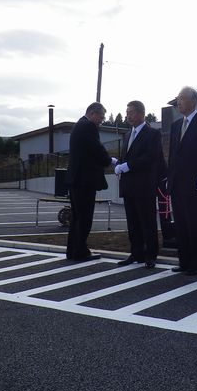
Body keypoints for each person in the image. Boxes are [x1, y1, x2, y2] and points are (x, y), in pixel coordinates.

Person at [168, 86, 197, 275]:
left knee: (194, 222)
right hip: (176, 182)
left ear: (193, 101)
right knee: (179, 222)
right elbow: (172, 154)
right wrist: (168, 176)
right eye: (177, 98)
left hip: (195, 181)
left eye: (182, 98)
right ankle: (184, 261)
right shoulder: (175, 125)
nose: (179, 102)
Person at [115, 100, 164, 269]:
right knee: (132, 221)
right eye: (127, 112)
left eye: (131, 112)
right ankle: (136, 252)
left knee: (147, 221)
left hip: (144, 185)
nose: (128, 115)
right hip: (128, 184)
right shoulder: (128, 134)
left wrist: (128, 166)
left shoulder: (152, 134)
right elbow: (125, 157)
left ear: (141, 113)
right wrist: (120, 166)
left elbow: (151, 157)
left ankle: (150, 254)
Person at [65, 102, 114, 261]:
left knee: (77, 217)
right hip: (84, 180)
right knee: (84, 217)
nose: (102, 120)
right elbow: (97, 149)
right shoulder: (88, 127)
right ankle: (80, 251)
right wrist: (110, 161)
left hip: (75, 179)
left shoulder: (79, 125)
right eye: (101, 116)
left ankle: (72, 250)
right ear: (92, 113)